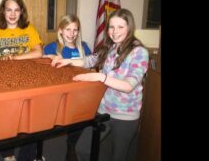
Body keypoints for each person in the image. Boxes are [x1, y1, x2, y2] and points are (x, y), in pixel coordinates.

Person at [50, 9, 149, 161]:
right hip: (103, 110)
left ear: (130, 28)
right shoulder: (110, 46)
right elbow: (89, 60)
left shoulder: (139, 52)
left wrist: (101, 76)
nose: (115, 32)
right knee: (82, 148)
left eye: (120, 27)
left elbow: (129, 85)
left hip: (126, 115)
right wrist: (68, 61)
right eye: (111, 27)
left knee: (118, 156)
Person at [0, 0, 43, 161]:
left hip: (27, 81)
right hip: (3, 83)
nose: (12, 14)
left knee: (30, 121)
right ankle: (8, 154)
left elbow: (38, 52)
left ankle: (27, 156)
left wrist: (15, 58)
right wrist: (0, 60)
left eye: (16, 10)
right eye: (9, 10)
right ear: (2, 12)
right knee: (4, 120)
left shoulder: (29, 28)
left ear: (21, 12)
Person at [42, 14, 91, 161]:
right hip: (60, 93)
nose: (71, 33)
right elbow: (43, 67)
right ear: (61, 30)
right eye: (68, 29)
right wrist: (50, 57)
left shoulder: (84, 47)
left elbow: (91, 66)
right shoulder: (52, 47)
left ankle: (71, 146)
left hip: (81, 93)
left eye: (75, 30)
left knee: (79, 123)